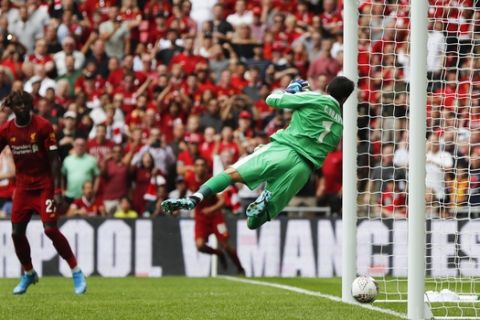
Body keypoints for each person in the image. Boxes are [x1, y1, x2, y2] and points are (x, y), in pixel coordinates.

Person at [162, 76, 355, 229]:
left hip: (283, 150)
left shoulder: (314, 97)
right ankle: (264, 199)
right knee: (253, 223)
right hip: (303, 170)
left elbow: (272, 100)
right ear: (345, 99)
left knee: (230, 174)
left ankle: (194, 198)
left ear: (328, 88)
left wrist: (289, 91)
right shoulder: (340, 127)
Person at [0, 91, 86, 294]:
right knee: (16, 233)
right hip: (22, 187)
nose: (22, 108)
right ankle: (29, 273)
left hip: (44, 185)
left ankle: (76, 271)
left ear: (30, 106)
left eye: (25, 104)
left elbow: (55, 160)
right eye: (18, 105)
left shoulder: (43, 126)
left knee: (50, 229)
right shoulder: (6, 129)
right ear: (12, 108)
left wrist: (57, 189)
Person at [184, 158, 244, 273]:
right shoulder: (190, 179)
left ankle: (240, 268)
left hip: (216, 217)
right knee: (200, 245)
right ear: (194, 168)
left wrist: (211, 209)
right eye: (197, 165)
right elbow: (183, 190)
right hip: (201, 217)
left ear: (206, 168)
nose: (200, 168)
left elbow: (222, 201)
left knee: (226, 245)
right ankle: (218, 253)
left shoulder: (211, 181)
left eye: (202, 165)